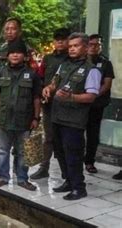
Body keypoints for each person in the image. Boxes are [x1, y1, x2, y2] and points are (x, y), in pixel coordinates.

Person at [42, 33, 101, 200]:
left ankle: (78, 187)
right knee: (60, 152)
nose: (72, 49)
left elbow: (91, 96)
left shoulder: (92, 70)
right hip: (57, 116)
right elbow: (55, 82)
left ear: (86, 47)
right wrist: (49, 88)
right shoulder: (64, 65)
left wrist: (71, 97)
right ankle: (68, 180)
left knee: (73, 154)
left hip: (74, 120)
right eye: (71, 46)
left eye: (76, 46)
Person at [0, 39, 41, 191]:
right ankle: (3, 177)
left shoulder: (32, 75)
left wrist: (36, 118)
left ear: (24, 56)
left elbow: (37, 98)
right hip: (4, 120)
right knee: (3, 151)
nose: (15, 55)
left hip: (24, 121)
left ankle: (22, 179)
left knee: (22, 152)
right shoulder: (1, 73)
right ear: (7, 56)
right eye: (12, 53)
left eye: (18, 53)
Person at [0, 18, 36, 173]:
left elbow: (33, 74)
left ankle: (18, 165)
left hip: (21, 97)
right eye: (6, 29)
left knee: (20, 131)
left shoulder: (27, 50)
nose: (9, 32)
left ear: (19, 30)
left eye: (13, 28)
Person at [30, 28, 71, 180]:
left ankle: (68, 172)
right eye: (57, 39)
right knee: (48, 138)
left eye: (63, 38)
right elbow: (39, 78)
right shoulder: (47, 59)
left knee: (65, 140)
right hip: (49, 104)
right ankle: (44, 167)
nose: (59, 41)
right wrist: (41, 92)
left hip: (68, 106)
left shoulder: (73, 59)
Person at [84, 34, 115, 174]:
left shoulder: (105, 63)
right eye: (91, 44)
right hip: (79, 104)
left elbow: (107, 84)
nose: (94, 47)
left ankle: (89, 161)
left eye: (97, 45)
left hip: (96, 104)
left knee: (92, 134)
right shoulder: (80, 61)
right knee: (76, 133)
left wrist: (92, 96)